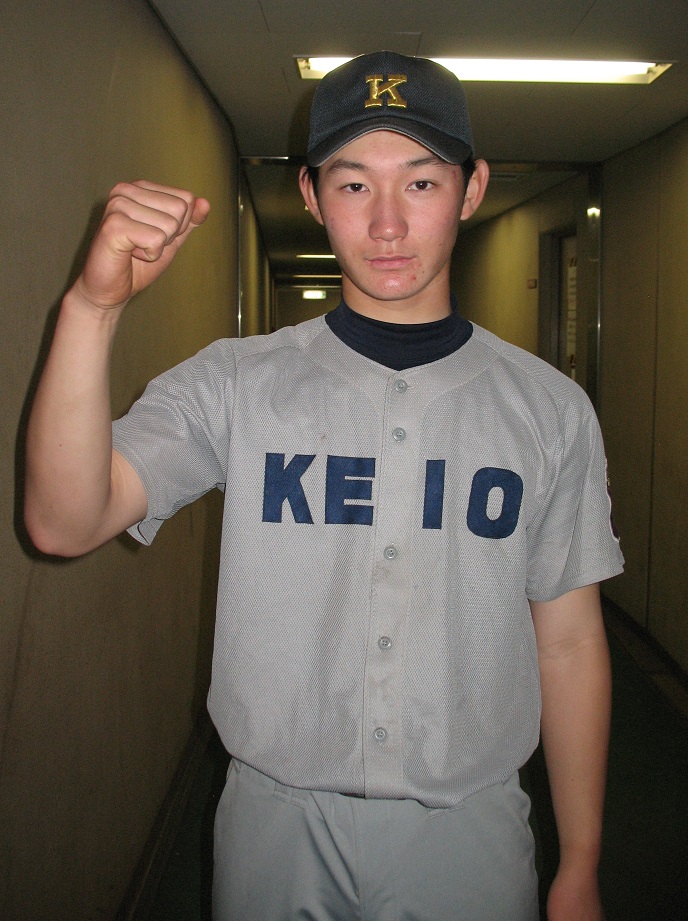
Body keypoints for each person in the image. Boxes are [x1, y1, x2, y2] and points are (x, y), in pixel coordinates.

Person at [25, 51, 624, 921]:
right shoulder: (236, 383)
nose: (387, 222)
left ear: (472, 188)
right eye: (352, 185)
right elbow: (62, 520)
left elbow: (567, 643)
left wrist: (582, 860)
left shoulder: (549, 410)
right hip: (273, 820)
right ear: (310, 194)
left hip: (468, 825)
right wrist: (92, 309)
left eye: (421, 182)